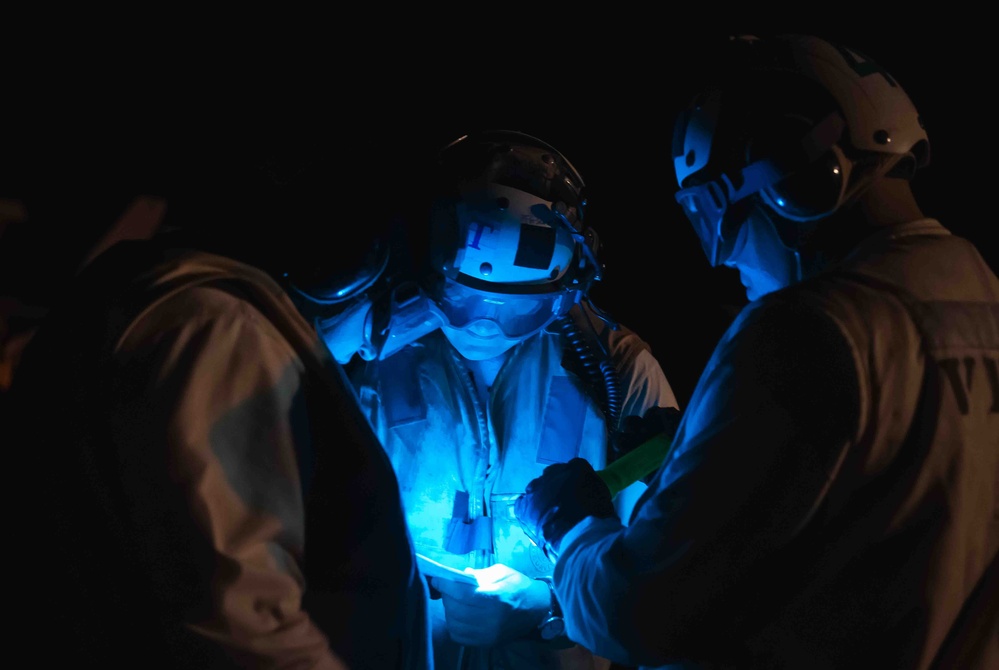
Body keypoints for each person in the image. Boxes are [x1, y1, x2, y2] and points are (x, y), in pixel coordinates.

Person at [514, 33, 998, 669]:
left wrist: (570, 526)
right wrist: (693, 460)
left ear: (794, 182)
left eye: (716, 214)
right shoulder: (979, 295)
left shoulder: (808, 332)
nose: (721, 256)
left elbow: (639, 612)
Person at [4, 137, 434, 669]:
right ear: (345, 272)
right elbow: (242, 621)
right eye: (378, 319)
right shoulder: (221, 330)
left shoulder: (152, 296)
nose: (371, 349)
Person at [343, 129, 680, 670]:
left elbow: (670, 585)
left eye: (513, 310)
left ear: (560, 293)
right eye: (462, 298)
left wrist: (546, 607)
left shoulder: (618, 371)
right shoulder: (366, 363)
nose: (482, 326)